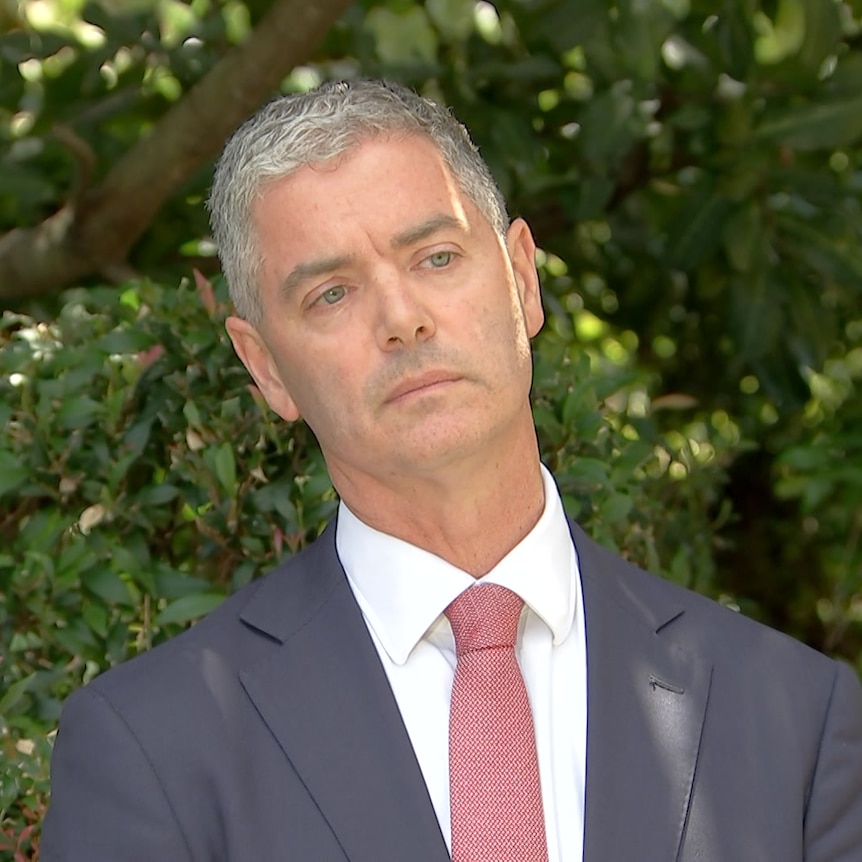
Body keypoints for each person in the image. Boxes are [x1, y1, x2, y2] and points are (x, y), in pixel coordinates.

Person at [41, 79, 862, 862]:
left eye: (435, 257)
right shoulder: (152, 747)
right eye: (331, 293)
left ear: (523, 280)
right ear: (267, 370)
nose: (403, 319)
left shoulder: (794, 716)